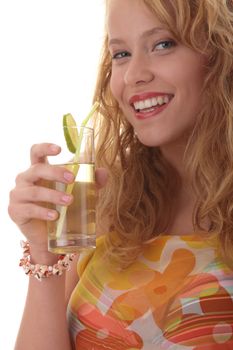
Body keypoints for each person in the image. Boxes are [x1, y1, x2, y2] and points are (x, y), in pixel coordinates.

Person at [8, 0, 233, 349]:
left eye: (163, 44)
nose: (134, 75)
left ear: (221, 53)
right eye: (121, 53)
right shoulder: (110, 200)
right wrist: (45, 255)